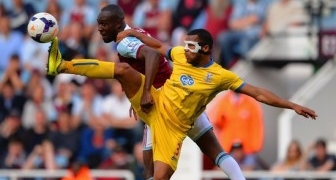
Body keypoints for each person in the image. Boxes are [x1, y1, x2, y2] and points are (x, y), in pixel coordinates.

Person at [46, 6, 317, 180]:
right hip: (157, 102)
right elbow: (158, 46)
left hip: (175, 126)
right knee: (123, 72)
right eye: (185, 44)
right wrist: (133, 37)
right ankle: (63, 64)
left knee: (205, 156)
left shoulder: (221, 76)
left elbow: (258, 93)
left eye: (191, 45)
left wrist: (292, 105)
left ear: (207, 50)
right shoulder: (181, 55)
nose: (185, 49)